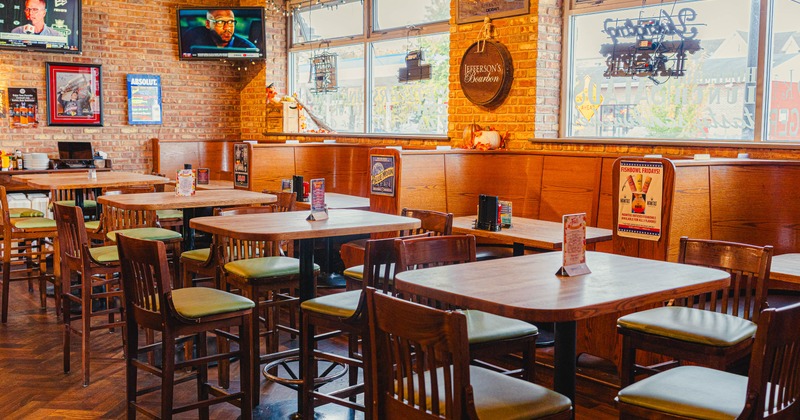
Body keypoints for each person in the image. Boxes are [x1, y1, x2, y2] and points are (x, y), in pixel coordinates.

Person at [181, 9, 257, 52]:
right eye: (220, 22)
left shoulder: (247, 47)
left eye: (231, 22)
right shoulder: (192, 37)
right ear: (208, 24)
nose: (227, 28)